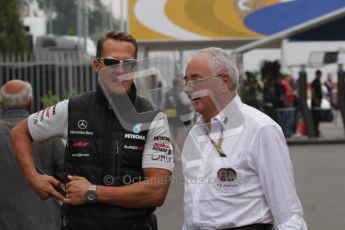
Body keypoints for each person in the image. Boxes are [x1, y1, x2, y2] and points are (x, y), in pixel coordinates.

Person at [11, 31, 174, 230]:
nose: (120, 70)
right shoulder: (71, 109)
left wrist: (92, 192)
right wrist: (32, 176)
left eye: (128, 63)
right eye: (111, 62)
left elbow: (156, 192)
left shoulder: (154, 119)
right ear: (97, 65)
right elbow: (20, 132)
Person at [181, 47, 307, 230]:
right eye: (186, 80)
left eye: (196, 79)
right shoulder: (195, 133)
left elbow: (288, 213)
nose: (187, 88)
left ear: (224, 81)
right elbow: (193, 203)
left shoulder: (260, 128)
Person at [0, 80, 64, 230]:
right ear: (29, 102)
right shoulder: (48, 134)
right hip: (44, 223)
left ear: (1, 104)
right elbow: (65, 177)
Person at [164, 78, 194, 150]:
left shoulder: (167, 93)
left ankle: (170, 154)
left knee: (171, 137)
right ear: (179, 84)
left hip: (170, 118)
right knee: (181, 137)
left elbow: (164, 105)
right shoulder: (181, 93)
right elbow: (188, 104)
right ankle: (180, 155)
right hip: (180, 119)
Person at [311, 70, 323, 137]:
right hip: (315, 102)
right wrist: (316, 101)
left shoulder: (318, 81)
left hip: (318, 101)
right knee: (315, 117)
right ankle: (315, 130)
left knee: (318, 117)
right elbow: (313, 92)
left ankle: (317, 129)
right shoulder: (314, 82)